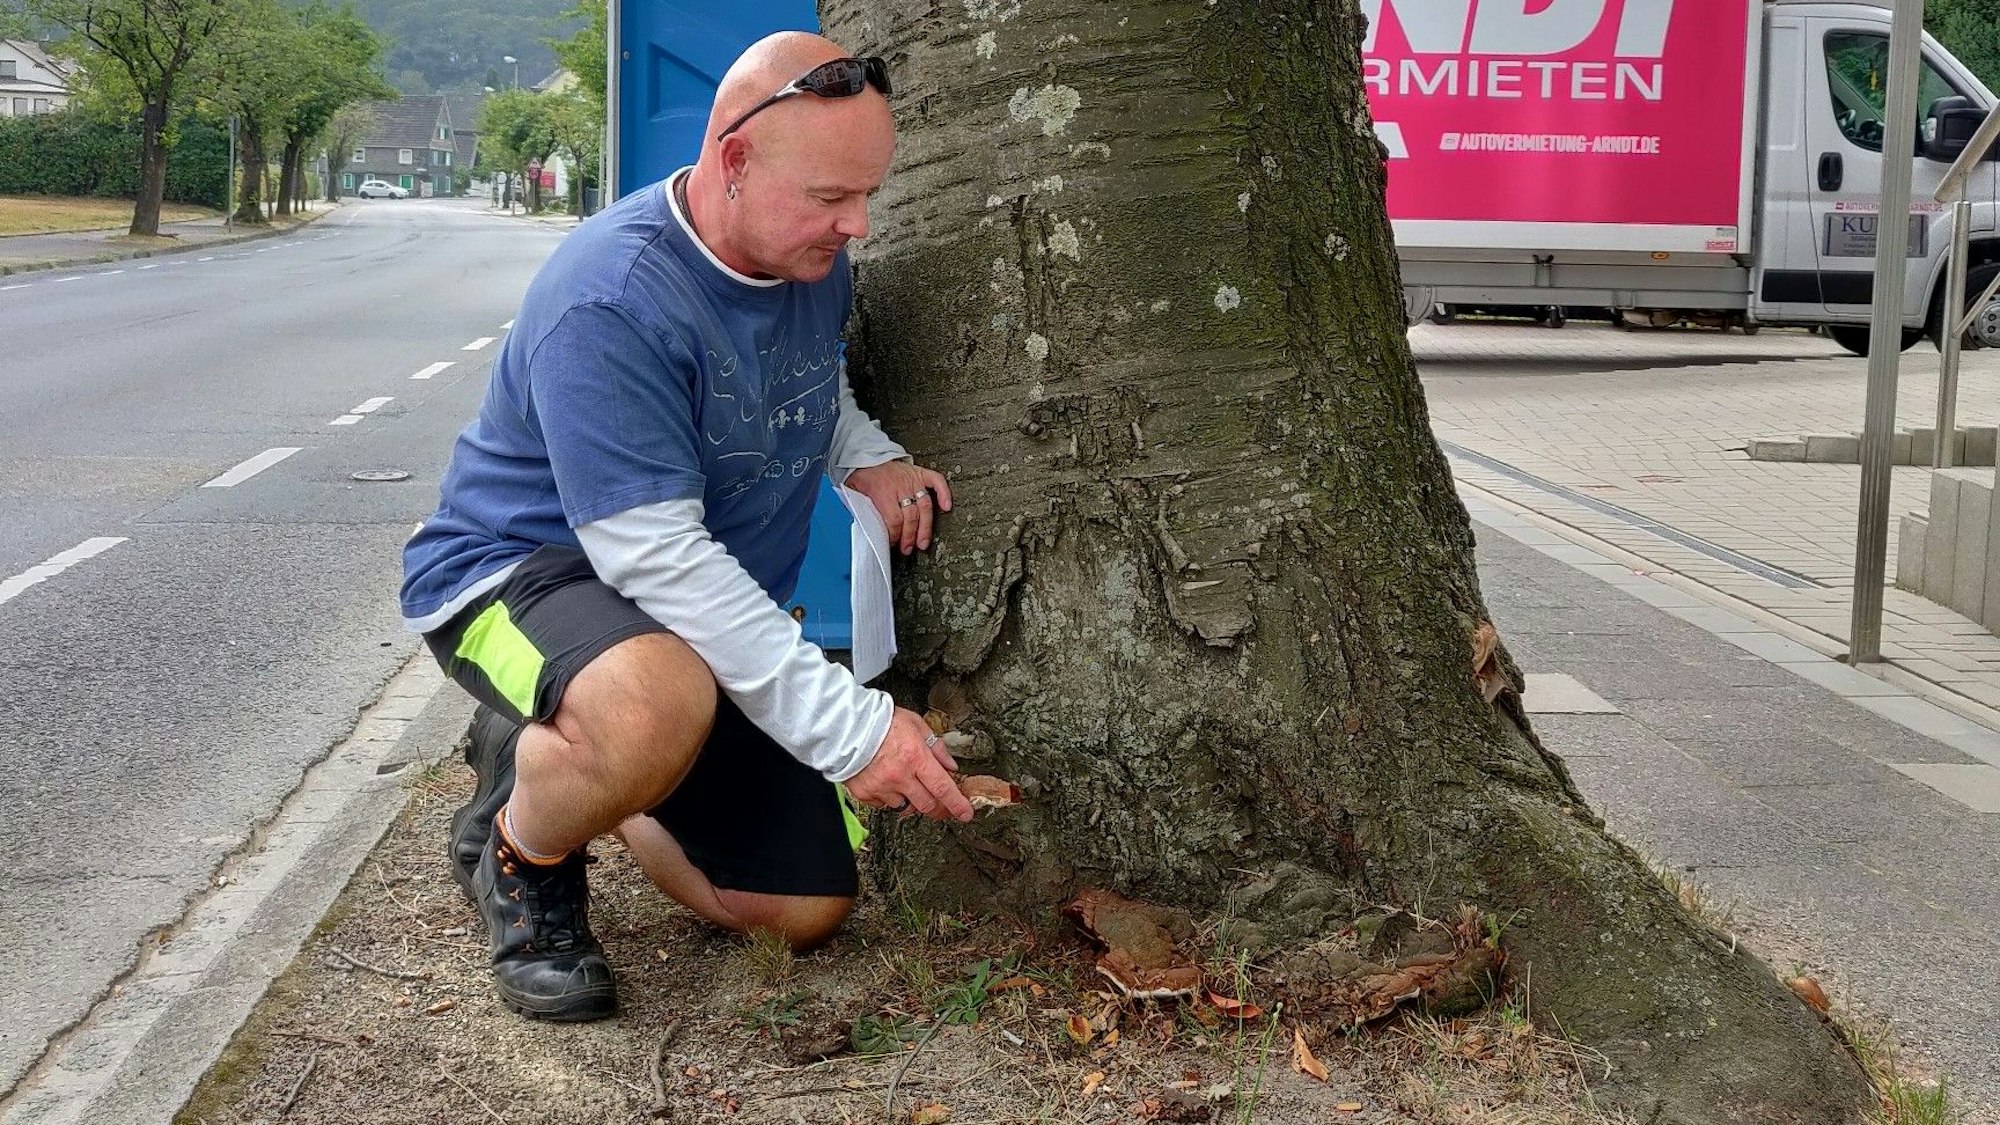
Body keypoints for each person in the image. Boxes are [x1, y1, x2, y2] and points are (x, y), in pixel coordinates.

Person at [398, 31, 975, 1023]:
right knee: (649, 700)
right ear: (734, 162)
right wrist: (848, 729)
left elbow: (807, 379)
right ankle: (519, 851)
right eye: (832, 200)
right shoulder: (611, 301)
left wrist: (865, 455)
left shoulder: (804, 258)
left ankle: (588, 762)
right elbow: (653, 557)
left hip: (682, 630)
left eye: (866, 194)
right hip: (513, 579)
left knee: (798, 907)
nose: (859, 228)